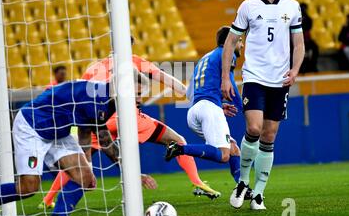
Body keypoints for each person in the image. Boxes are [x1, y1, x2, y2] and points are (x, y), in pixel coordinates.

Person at [39, 36, 221, 205]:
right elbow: (166, 78)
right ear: (129, 45)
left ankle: (48, 199)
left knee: (80, 160)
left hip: (97, 119)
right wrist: (190, 94)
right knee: (178, 141)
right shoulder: (133, 60)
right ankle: (197, 182)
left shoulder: (93, 67)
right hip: (125, 114)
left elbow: (83, 95)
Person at [0, 79, 119, 216]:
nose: (139, 98)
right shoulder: (96, 98)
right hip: (32, 126)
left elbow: (96, 133)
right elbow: (95, 136)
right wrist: (109, 166)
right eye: (137, 93)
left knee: (85, 178)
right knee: (28, 188)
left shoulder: (111, 99)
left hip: (58, 132)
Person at [221, 0, 305, 210]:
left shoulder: (292, 6)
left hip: (280, 81)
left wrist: (295, 69)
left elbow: (299, 44)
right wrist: (226, 76)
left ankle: (258, 192)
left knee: (269, 135)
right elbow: (230, 42)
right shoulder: (248, 6)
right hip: (255, 77)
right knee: (254, 129)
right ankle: (243, 182)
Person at [164, 26, 250, 197]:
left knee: (233, 149)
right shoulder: (227, 54)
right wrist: (245, 109)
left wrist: (217, 102)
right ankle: (180, 149)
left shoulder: (206, 57)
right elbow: (230, 86)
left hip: (195, 110)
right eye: (239, 40)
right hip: (209, 109)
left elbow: (190, 93)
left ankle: (244, 189)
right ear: (230, 41)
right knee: (224, 155)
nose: (241, 45)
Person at [299, 3, 319, 73]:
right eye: (302, 8)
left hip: (306, 40)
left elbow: (309, 26)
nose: (303, 10)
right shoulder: (295, 17)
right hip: (297, 40)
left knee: (315, 47)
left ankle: (313, 65)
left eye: (305, 9)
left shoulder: (308, 18)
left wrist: (305, 17)